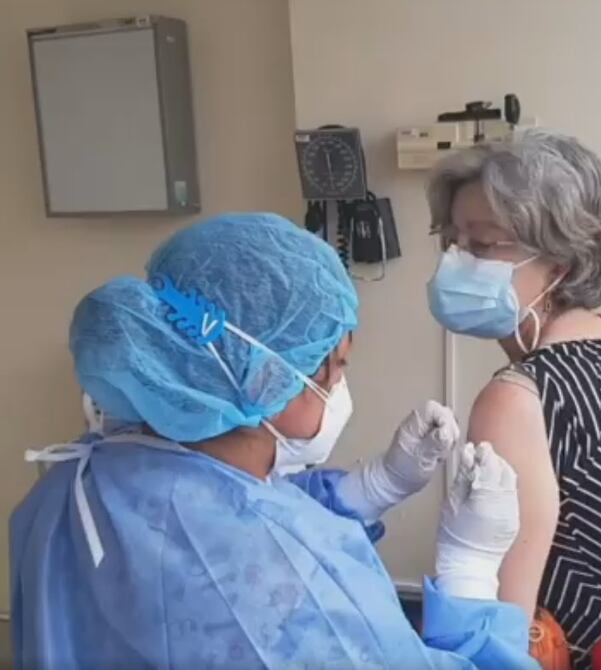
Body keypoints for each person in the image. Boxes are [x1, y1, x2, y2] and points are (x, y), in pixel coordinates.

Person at [11, 213, 538, 670]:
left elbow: (223, 509)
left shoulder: (71, 485)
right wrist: (470, 571)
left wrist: (373, 488)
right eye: (336, 367)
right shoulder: (287, 586)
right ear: (273, 377)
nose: (337, 385)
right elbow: (255, 546)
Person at [426, 130, 601, 669]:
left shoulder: (517, 399)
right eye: (451, 240)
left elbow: (505, 640)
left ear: (560, 263)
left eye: (482, 245)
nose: (456, 262)